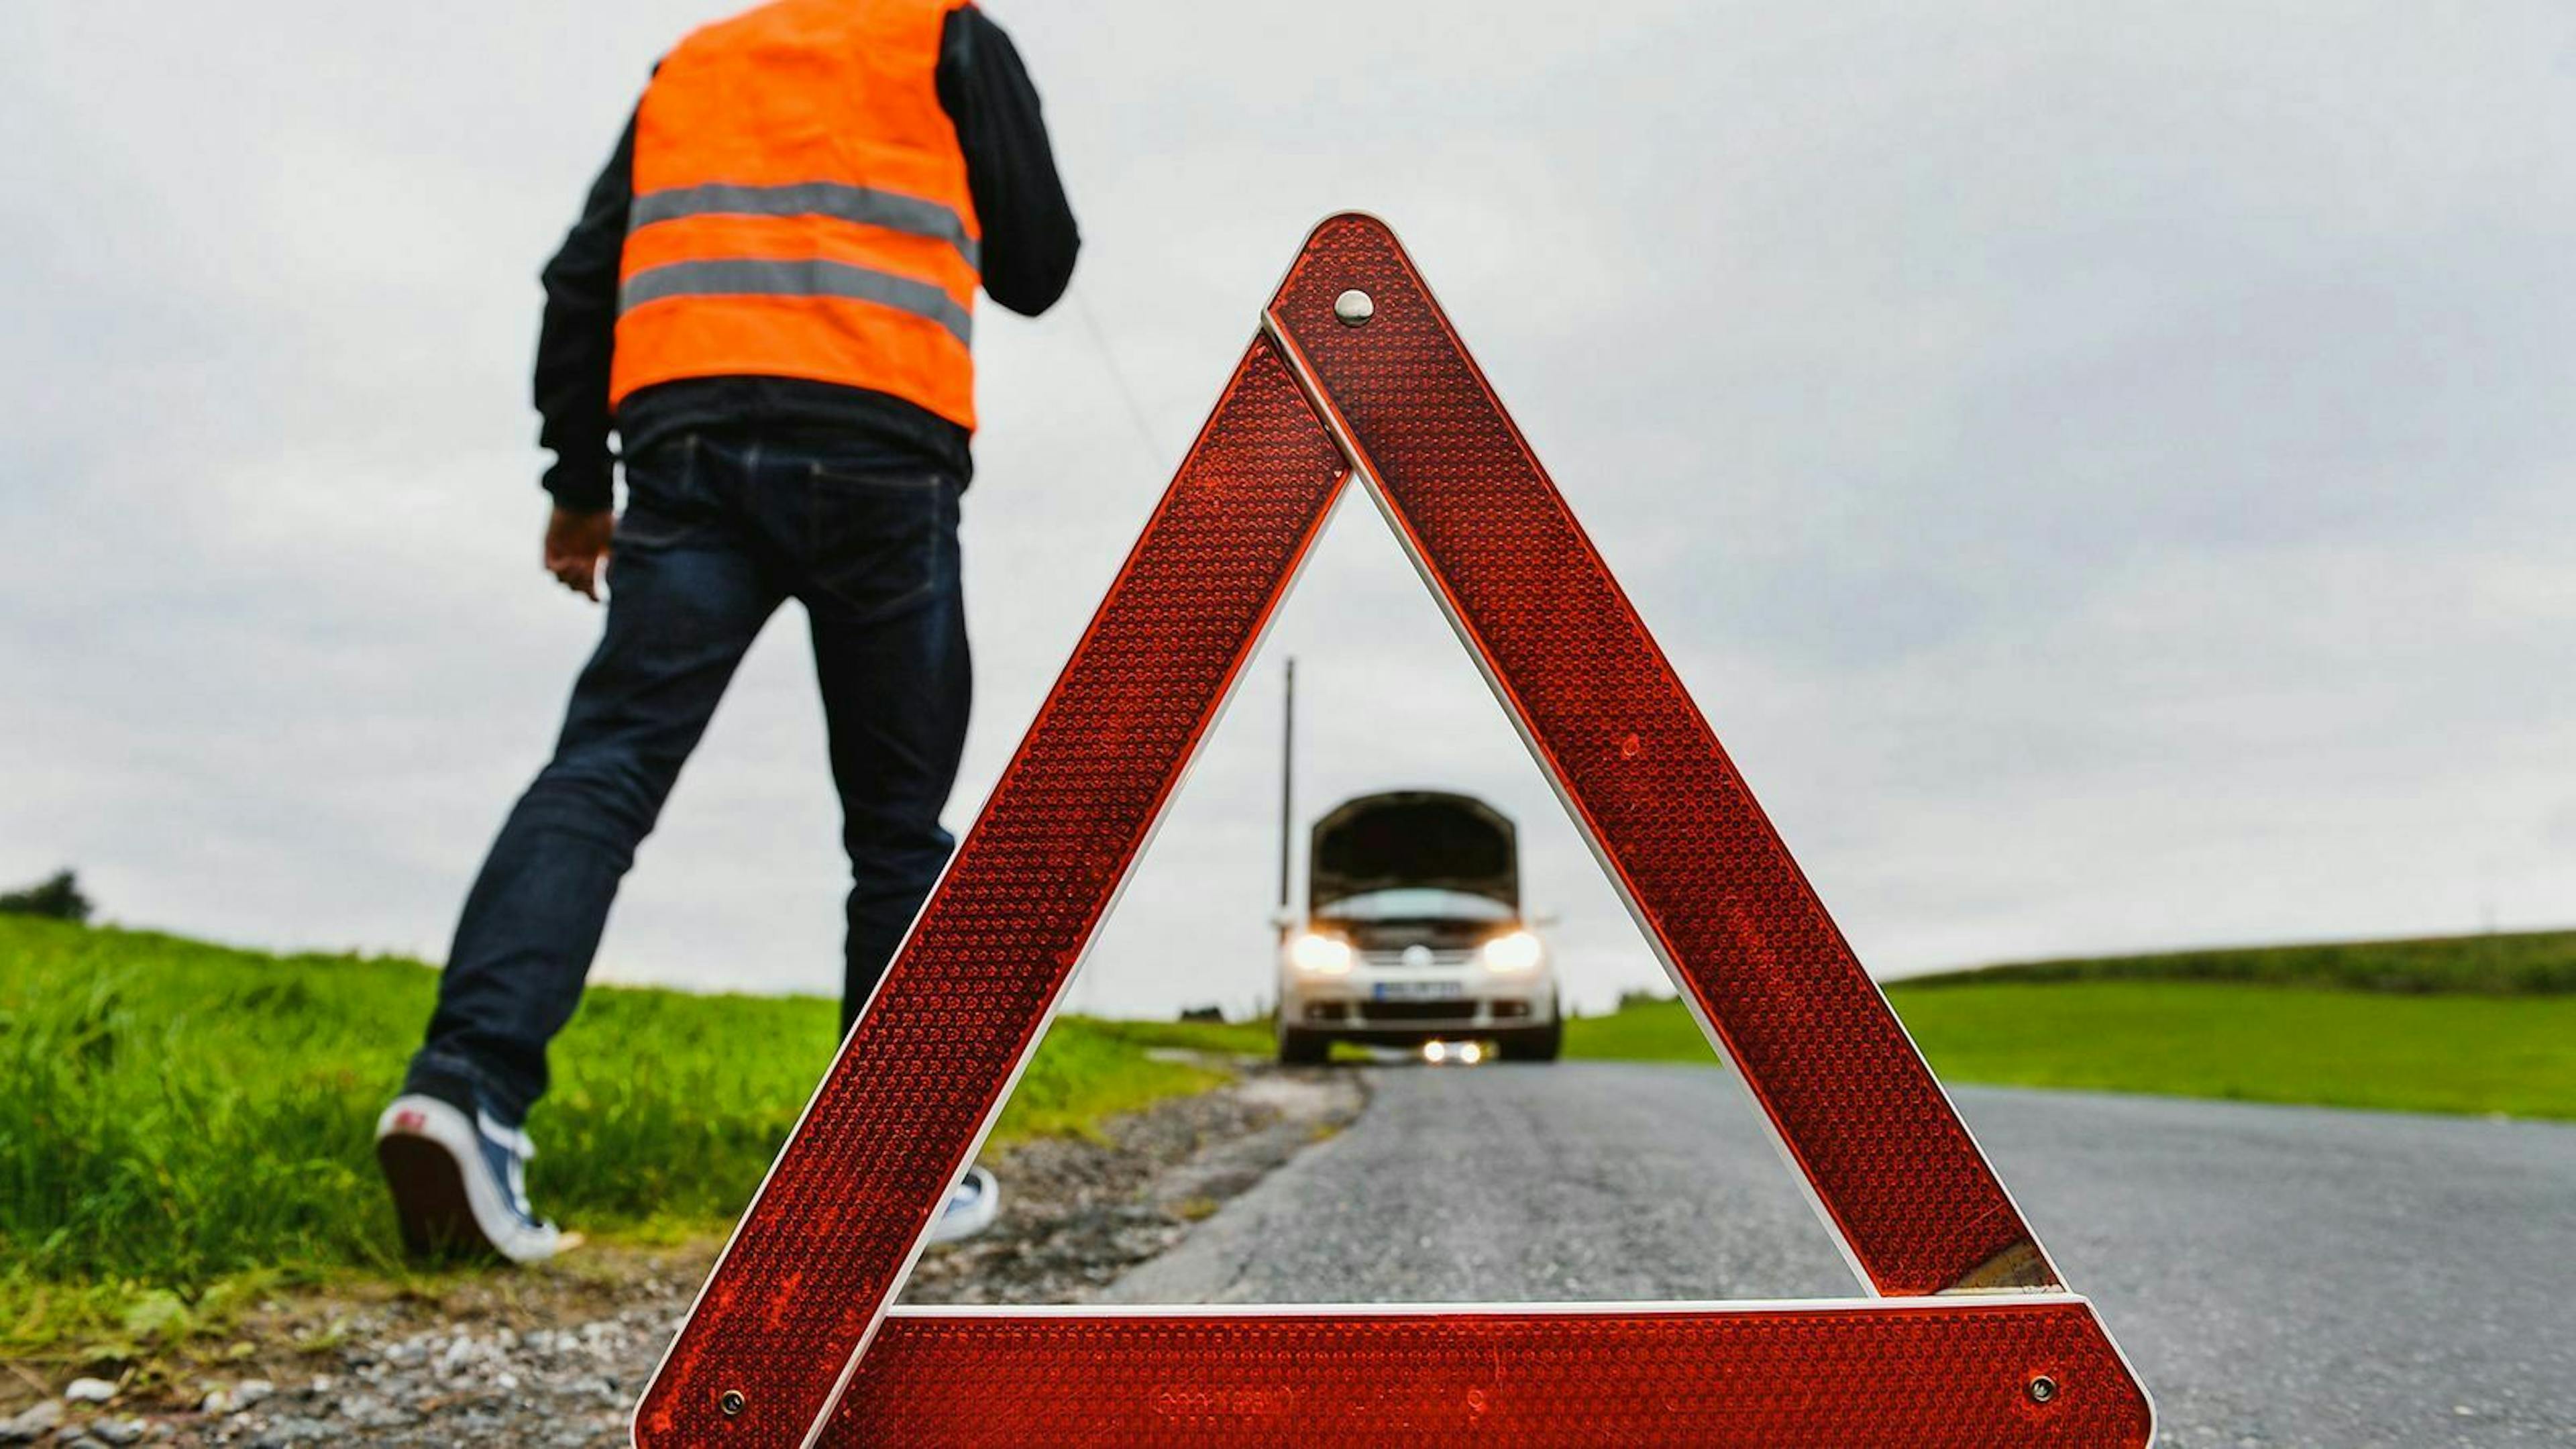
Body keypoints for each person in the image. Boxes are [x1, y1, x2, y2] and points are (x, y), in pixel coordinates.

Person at [372, 0, 1077, 1263]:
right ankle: (897, 1156)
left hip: (689, 451)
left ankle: (464, 1094)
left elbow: (579, 279)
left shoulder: (692, 66)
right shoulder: (948, 35)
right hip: (885, 455)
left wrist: (578, 487)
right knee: (897, 826)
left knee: (606, 768)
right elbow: (1038, 268)